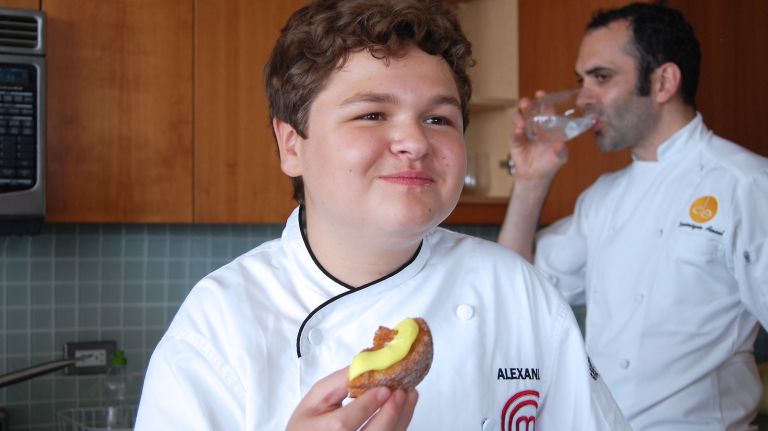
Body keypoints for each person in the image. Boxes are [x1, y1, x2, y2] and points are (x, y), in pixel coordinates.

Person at [134, 0, 631, 429]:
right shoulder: (221, 322)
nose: (415, 141)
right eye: (371, 114)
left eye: (438, 118)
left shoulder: (517, 292)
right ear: (291, 145)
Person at [498, 2, 768, 430]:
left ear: (663, 82)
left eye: (601, 78)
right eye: (581, 81)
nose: (583, 98)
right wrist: (531, 182)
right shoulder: (601, 198)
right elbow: (517, 290)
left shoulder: (747, 185)